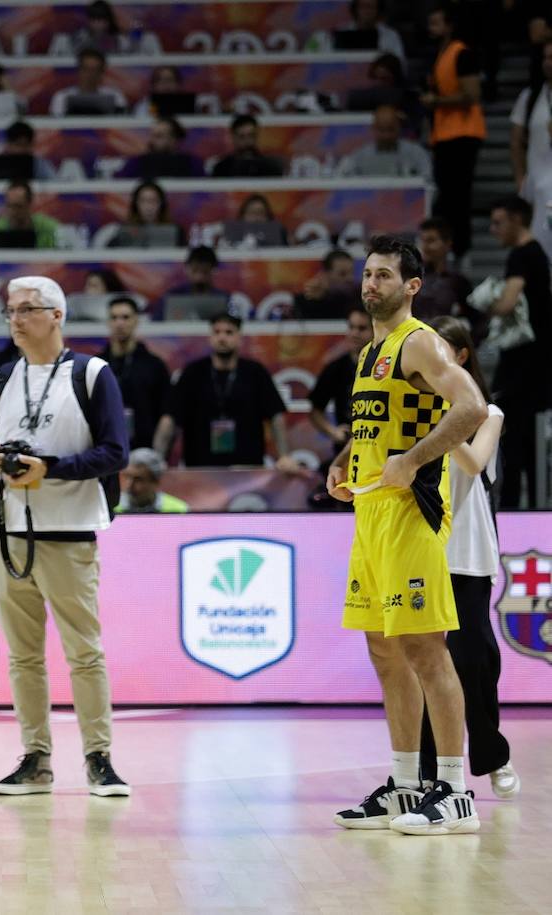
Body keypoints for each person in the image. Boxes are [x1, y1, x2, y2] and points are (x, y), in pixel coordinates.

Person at [327, 234, 488, 836]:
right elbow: (378, 420)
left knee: (426, 649)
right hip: (370, 514)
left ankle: (454, 789)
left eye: (384, 276)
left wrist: (416, 459)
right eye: (367, 274)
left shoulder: (421, 342)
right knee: (383, 649)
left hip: (411, 514)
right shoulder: (371, 352)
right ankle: (404, 784)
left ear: (411, 286)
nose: (372, 285)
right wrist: (348, 458)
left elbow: (470, 407)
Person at [0, 275, 130, 796]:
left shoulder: (92, 373)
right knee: (23, 655)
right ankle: (36, 758)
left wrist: (48, 469)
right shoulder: (0, 376)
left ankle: (99, 758)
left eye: (27, 310)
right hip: (8, 531)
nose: (15, 319)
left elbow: (115, 452)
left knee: (85, 651)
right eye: (10, 310)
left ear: (57, 315)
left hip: (71, 530)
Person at [417, 316, 518, 799]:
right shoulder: (409, 409)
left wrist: (444, 422)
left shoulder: (487, 413)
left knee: (475, 658)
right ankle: (427, 771)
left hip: (469, 553)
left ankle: (493, 755)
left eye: (443, 349)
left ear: (458, 357)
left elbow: (475, 463)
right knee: (426, 661)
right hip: (421, 547)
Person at [154, 312, 302, 471]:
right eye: (217, 332)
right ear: (210, 337)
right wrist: (157, 460)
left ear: (239, 337)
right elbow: (169, 418)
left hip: (247, 467)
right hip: (201, 467)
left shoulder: (254, 372)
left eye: (229, 332)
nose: (222, 338)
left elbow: (275, 416)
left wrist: (284, 456)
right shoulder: (193, 373)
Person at [485, 195, 552, 508]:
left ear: (516, 219)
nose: (493, 229)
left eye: (498, 222)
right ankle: (532, 506)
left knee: (512, 442)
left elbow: (508, 302)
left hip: (523, 367)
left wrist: (485, 305)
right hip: (535, 364)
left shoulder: (522, 255)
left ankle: (512, 510)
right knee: (527, 444)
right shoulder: (536, 253)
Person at [424, 6, 485, 258]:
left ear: (449, 25)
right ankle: (449, 250)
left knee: (457, 198)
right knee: (447, 199)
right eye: (431, 23)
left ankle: (461, 250)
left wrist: (436, 101)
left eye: (437, 23)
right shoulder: (440, 53)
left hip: (462, 133)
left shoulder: (461, 54)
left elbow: (472, 94)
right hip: (445, 135)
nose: (432, 28)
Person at [100, 295, 170, 450]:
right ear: (108, 322)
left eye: (125, 317)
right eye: (114, 318)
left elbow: (166, 413)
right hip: (104, 450)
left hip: (144, 449)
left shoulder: (154, 365)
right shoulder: (96, 365)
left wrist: (157, 454)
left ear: (136, 321)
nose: (120, 323)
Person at [308, 305, 374, 455]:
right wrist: (332, 431)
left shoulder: (387, 365)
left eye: (362, 328)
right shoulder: (336, 368)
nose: (354, 333)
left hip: (379, 448)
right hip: (346, 451)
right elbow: (315, 409)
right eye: (351, 327)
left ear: (375, 330)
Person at [511, 42, 552, 258]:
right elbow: (516, 141)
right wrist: (520, 178)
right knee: (539, 246)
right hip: (537, 187)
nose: (548, 63)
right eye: (546, 57)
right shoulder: (531, 96)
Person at [339, 105, 433, 179]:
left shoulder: (416, 153)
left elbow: (428, 182)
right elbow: (345, 181)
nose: (386, 135)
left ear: (399, 128)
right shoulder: (359, 157)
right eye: (381, 130)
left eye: (391, 129)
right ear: (373, 129)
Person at [412, 217, 475, 324]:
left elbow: (474, 318)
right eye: (422, 240)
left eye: (431, 240)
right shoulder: (411, 277)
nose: (425, 246)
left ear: (448, 244)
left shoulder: (458, 282)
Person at [0, 180, 60, 250]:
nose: (12, 211)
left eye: (18, 206)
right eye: (9, 206)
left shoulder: (49, 229)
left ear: (29, 204)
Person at [118, 116, 203, 180]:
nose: (152, 140)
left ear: (174, 140)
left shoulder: (192, 164)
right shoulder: (137, 162)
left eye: (159, 136)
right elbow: (118, 183)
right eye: (152, 135)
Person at [48, 49, 128, 116]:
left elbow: (122, 124)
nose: (91, 74)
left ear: (102, 73)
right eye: (86, 69)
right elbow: (56, 126)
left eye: (95, 70)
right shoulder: (61, 97)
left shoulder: (116, 96)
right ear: (79, 71)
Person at [109, 180, 186, 248]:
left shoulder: (176, 232)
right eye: (143, 201)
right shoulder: (124, 232)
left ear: (161, 204)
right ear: (136, 204)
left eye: (153, 200)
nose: (148, 206)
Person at [116, 447, 188, 513]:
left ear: (155, 481)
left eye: (138, 479)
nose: (129, 484)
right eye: (127, 477)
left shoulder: (178, 510)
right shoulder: (113, 508)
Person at [210, 115, 284, 178]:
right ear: (233, 138)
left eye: (251, 135)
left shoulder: (271, 168)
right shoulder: (221, 168)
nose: (247, 141)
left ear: (257, 136)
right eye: (242, 137)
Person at [295, 249, 360, 320]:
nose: (350, 278)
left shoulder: (358, 297)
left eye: (352, 272)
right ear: (326, 274)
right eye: (342, 274)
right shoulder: (306, 301)